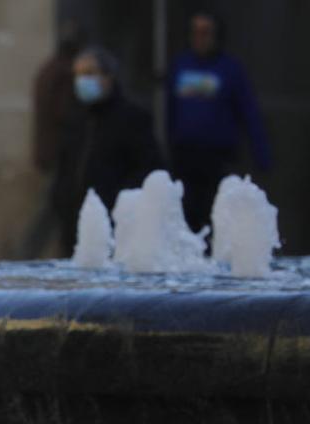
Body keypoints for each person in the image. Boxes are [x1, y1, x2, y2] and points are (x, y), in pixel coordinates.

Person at [166, 10, 271, 233]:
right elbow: (170, 110)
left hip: (218, 157)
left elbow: (249, 112)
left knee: (216, 218)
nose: (200, 38)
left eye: (205, 32)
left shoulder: (231, 69)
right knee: (186, 217)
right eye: (195, 32)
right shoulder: (180, 65)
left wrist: (262, 155)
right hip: (184, 156)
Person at [52, 46, 163, 256]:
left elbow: (150, 169)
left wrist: (118, 204)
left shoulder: (132, 119)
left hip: (114, 230)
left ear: (108, 77)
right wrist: (60, 201)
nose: (81, 81)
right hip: (74, 230)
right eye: (78, 75)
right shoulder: (75, 120)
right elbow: (64, 169)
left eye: (89, 74)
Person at [19, 20, 84, 258]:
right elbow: (63, 113)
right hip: (59, 154)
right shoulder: (62, 73)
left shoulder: (50, 69)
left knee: (54, 207)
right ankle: (28, 253)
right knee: (55, 207)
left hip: (51, 152)